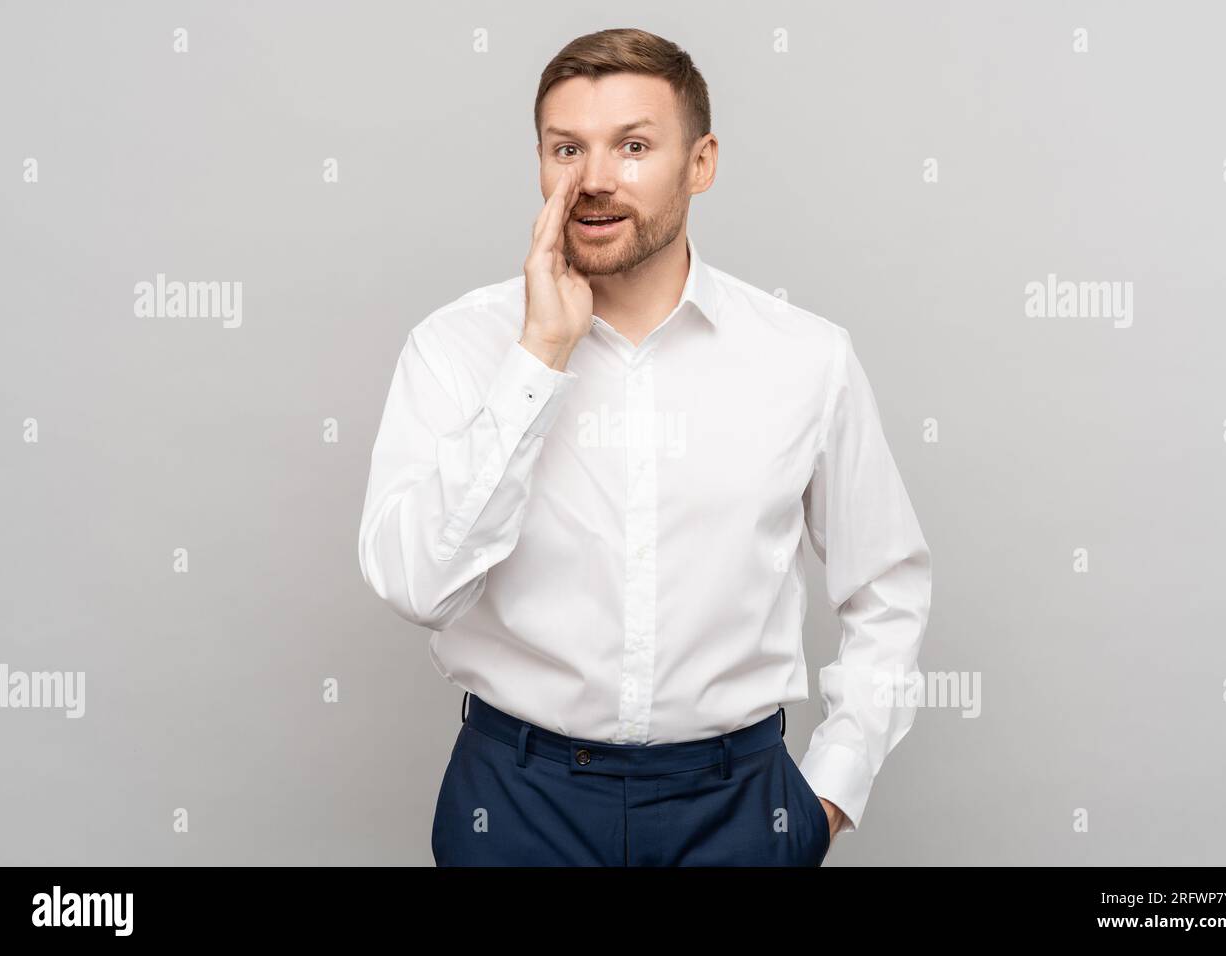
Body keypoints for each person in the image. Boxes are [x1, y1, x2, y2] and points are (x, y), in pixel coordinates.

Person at [357, 27, 932, 866]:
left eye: (633, 146)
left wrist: (831, 793)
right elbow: (419, 586)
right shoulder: (457, 349)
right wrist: (539, 359)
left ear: (700, 163)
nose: (593, 179)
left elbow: (888, 587)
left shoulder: (806, 358)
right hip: (517, 805)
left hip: (737, 807)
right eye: (566, 148)